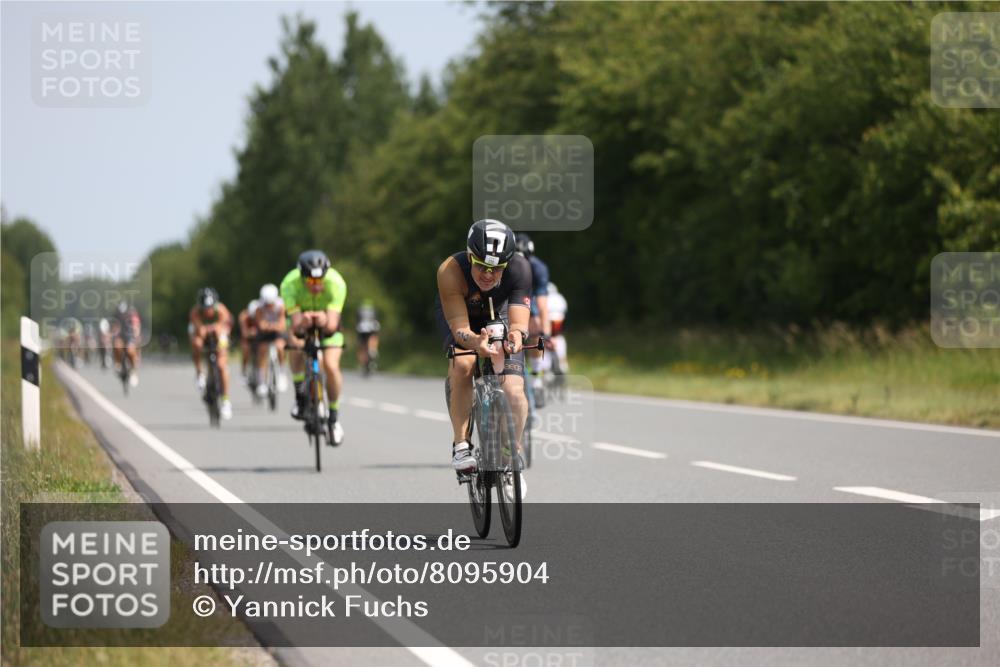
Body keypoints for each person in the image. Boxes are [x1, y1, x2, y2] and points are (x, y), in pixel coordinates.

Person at [435, 219, 531, 473]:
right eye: (481, 267)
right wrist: (475, 342)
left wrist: (516, 337)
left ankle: (511, 451)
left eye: (497, 269)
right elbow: (459, 328)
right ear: (470, 256)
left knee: (515, 392)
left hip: (499, 315)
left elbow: (520, 323)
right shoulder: (450, 271)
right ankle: (461, 445)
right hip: (462, 316)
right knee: (463, 365)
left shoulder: (520, 267)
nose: (488, 275)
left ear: (507, 264)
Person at [280, 250, 347, 445]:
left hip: (328, 326)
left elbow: (333, 325)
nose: (316, 286)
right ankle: (300, 393)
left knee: (331, 366)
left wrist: (324, 319)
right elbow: (295, 323)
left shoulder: (336, 283)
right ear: (302, 278)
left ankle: (333, 419)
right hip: (301, 323)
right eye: (310, 282)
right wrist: (303, 320)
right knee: (295, 344)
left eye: (319, 282)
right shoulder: (289, 284)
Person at [515, 232, 552, 407]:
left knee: (536, 327)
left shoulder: (538, 269)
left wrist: (545, 333)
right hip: (510, 295)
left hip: (530, 298)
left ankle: (537, 377)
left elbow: (543, 304)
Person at [188, 287, 234, 419]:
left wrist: (217, 333)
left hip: (219, 335)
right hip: (202, 335)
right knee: (196, 343)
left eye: (210, 307)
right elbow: (200, 331)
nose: (207, 310)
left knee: (221, 366)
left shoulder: (221, 310)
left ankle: (225, 400)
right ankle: (199, 374)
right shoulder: (195, 312)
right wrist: (204, 332)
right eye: (204, 308)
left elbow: (222, 328)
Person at [253, 283, 289, 396]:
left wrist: (270, 326)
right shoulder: (259, 307)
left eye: (271, 304)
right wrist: (271, 326)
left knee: (280, 346)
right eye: (267, 304)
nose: (269, 306)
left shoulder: (281, 305)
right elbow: (260, 324)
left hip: (276, 332)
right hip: (264, 333)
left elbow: (282, 324)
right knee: (262, 350)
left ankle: (282, 373)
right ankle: (262, 381)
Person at [110, 302, 141, 385]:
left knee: (131, 351)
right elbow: (114, 328)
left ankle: (133, 372)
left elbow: (136, 327)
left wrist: (136, 335)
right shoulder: (116, 316)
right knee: (117, 346)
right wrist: (113, 334)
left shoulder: (132, 316)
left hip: (129, 336)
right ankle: (118, 364)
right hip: (120, 336)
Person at [547, 282, 569, 374]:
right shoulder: (560, 298)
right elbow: (565, 311)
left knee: (545, 339)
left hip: (548, 321)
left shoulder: (543, 297)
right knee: (558, 338)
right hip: (559, 320)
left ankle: (546, 366)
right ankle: (562, 362)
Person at [355, 298, 381, 374]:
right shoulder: (374, 310)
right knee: (374, 336)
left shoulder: (359, 310)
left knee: (361, 346)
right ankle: (373, 349)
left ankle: (362, 362)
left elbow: (358, 320)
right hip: (372, 327)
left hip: (361, 328)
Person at [238, 299, 260, 382]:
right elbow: (244, 332)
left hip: (259, 338)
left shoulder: (261, 314)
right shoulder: (244, 316)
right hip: (247, 339)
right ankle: (244, 371)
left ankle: (260, 372)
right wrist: (250, 332)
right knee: (246, 350)